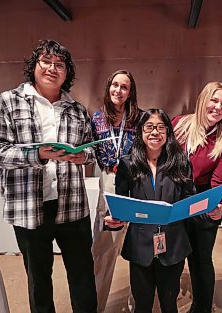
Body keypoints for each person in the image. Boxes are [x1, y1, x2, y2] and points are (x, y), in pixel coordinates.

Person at [0, 39, 97, 313]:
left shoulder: (77, 109)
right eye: (46, 62)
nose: (52, 68)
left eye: (60, 65)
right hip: (28, 207)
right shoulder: (8, 101)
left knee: (83, 274)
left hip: (72, 205)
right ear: (34, 67)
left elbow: (91, 150)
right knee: (38, 279)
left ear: (67, 73)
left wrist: (82, 157)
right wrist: (38, 155)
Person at [105, 109, 222, 313]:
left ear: (168, 132)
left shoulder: (180, 162)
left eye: (160, 127)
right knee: (142, 304)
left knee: (169, 304)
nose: (155, 132)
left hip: (173, 242)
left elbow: (189, 200)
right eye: (149, 127)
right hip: (140, 243)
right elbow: (122, 205)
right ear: (141, 131)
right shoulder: (127, 164)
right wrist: (114, 221)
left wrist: (211, 213)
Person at [172, 82, 222, 312]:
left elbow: (218, 179)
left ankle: (201, 308)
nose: (218, 107)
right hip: (173, 200)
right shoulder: (179, 124)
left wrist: (217, 205)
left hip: (203, 201)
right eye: (214, 100)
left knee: (200, 261)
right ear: (203, 100)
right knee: (173, 259)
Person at [91, 69, 142, 312]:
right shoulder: (97, 119)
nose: (118, 91)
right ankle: (96, 305)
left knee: (138, 247)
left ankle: (137, 303)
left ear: (130, 93)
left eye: (124, 87)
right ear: (108, 87)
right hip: (108, 181)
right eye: (115, 85)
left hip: (136, 183)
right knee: (103, 249)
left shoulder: (140, 119)